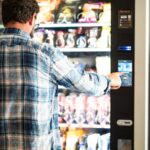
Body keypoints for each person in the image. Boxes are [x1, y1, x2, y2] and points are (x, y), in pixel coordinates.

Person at [0, 0, 123, 149]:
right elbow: (82, 82)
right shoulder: (44, 53)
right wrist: (109, 81)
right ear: (32, 18)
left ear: (3, 17)